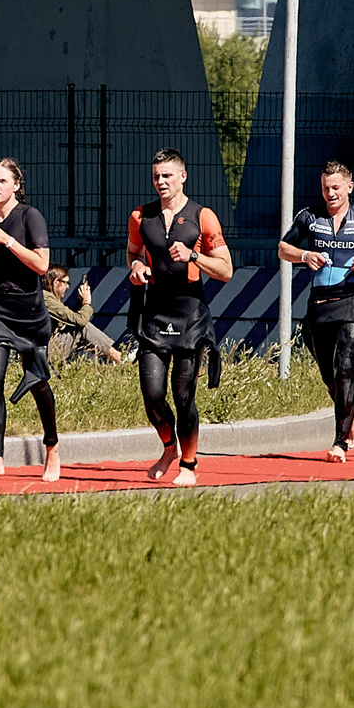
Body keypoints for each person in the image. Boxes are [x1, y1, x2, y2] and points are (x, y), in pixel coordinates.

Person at [278, 159, 354, 461]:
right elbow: (282, 248)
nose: (330, 194)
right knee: (329, 376)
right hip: (320, 305)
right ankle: (351, 411)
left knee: (346, 369)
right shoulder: (308, 217)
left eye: (336, 188)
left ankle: (339, 443)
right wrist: (305, 255)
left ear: (349, 188)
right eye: (325, 188)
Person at [127, 149, 231, 487]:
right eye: (156, 176)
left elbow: (226, 271)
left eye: (167, 176)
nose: (160, 182)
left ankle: (189, 464)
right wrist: (137, 266)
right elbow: (133, 252)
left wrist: (194, 255)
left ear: (183, 176)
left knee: (184, 395)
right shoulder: (141, 216)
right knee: (152, 394)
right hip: (155, 313)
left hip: (191, 315)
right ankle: (169, 447)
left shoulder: (203, 217)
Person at [0, 159, 60, 481]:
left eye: (2, 181)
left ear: (16, 185)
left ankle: (52, 447)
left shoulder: (30, 217)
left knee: (37, 382)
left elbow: (42, 265)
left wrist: (8, 240)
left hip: (29, 313)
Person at [44, 266, 125, 366]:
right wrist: (86, 302)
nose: (68, 287)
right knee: (83, 327)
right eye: (66, 283)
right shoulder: (46, 299)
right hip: (46, 351)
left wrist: (80, 303)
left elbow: (69, 318)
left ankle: (113, 358)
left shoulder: (46, 298)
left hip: (45, 348)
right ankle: (117, 357)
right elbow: (79, 321)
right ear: (56, 282)